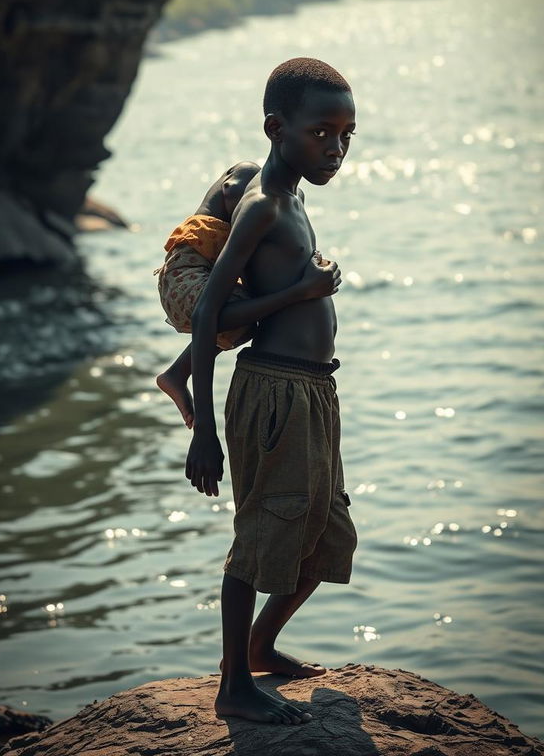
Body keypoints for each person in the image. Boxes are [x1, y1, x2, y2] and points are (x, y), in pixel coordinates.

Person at [186, 57, 358, 725]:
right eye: (322, 133)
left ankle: (261, 645)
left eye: (347, 134)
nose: (336, 148)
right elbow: (210, 316)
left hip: (315, 390)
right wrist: (203, 427)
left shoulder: (293, 197)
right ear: (276, 128)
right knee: (263, 535)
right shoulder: (262, 204)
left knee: (327, 531)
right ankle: (234, 684)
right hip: (274, 390)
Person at [155, 161, 339, 428]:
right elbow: (206, 315)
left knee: (246, 322)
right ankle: (177, 373)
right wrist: (299, 289)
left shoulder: (287, 197)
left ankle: (176, 372)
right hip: (183, 277)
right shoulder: (250, 188)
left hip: (311, 380)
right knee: (242, 317)